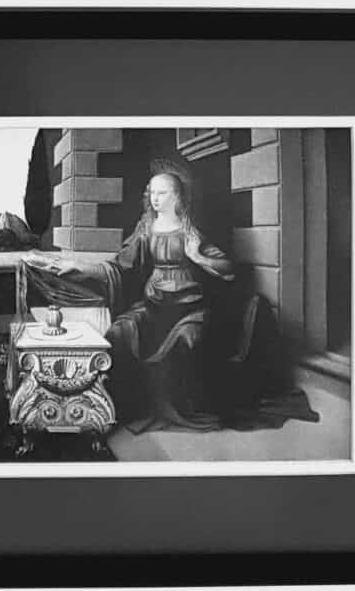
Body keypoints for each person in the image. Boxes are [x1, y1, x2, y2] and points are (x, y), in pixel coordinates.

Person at [24, 168, 239, 432]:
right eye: (152, 193)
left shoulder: (189, 231)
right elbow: (120, 265)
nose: (155, 198)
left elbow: (228, 268)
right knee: (119, 332)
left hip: (188, 310)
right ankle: (124, 408)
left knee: (188, 341)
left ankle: (180, 409)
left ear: (177, 196)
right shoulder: (145, 229)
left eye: (162, 193)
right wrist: (81, 267)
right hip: (154, 307)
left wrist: (198, 257)